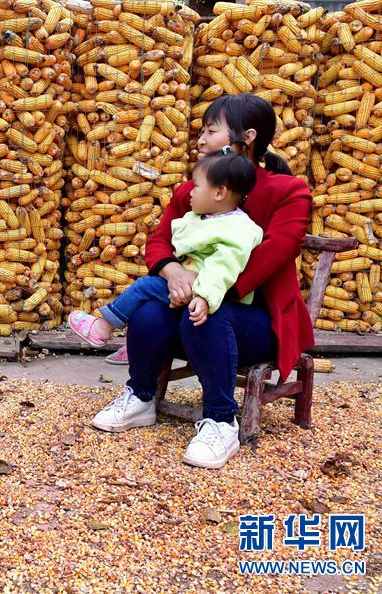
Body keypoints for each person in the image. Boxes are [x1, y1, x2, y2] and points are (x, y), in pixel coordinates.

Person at [86, 93, 313, 469]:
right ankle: (141, 397)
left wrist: (207, 290)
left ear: (247, 137)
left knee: (208, 314)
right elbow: (159, 241)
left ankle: (221, 421)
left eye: (210, 131)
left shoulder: (288, 191)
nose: (201, 139)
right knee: (148, 311)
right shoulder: (194, 191)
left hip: (259, 321)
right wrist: (173, 272)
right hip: (191, 306)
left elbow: (276, 252)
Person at [68, 149, 262, 344]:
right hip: (191, 285)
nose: (190, 192)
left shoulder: (239, 229)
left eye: (196, 186)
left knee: (144, 286)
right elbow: (166, 239)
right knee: (149, 305)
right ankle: (136, 342)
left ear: (219, 193)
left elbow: (223, 266)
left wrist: (204, 297)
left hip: (203, 289)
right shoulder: (208, 216)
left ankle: (103, 328)